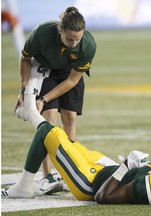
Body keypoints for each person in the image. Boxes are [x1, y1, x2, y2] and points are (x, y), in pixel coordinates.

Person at [2, 78, 151, 204]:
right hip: (102, 167)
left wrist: (125, 166)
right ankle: (30, 113)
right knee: (62, 138)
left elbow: (103, 197)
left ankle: (24, 186)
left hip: (89, 183)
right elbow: (146, 173)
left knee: (50, 134)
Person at [12, 6, 97, 194]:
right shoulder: (42, 33)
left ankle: (71, 173)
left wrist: (44, 98)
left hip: (70, 74)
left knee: (70, 119)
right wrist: (24, 90)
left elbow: (72, 80)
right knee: (49, 119)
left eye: (78, 39)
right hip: (45, 71)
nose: (74, 43)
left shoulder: (88, 45)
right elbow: (25, 58)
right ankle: (47, 176)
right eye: (69, 38)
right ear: (60, 31)